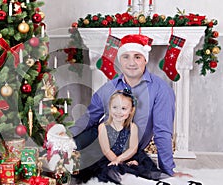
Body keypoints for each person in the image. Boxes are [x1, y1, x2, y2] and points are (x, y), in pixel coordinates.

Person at [70, 34, 190, 177]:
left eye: (137, 57)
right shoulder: (110, 86)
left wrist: (168, 170)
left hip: (127, 148)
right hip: (100, 139)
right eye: (126, 57)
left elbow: (162, 132)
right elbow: (90, 117)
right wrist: (68, 135)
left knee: (116, 173)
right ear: (120, 60)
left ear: (145, 59)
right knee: (66, 151)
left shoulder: (161, 90)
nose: (131, 63)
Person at [74, 89, 172, 185]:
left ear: (131, 111)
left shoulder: (133, 127)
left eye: (123, 108)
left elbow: (133, 148)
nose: (118, 112)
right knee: (112, 171)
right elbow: (106, 150)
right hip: (108, 157)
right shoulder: (103, 127)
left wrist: (122, 160)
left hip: (127, 156)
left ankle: (174, 183)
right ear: (110, 108)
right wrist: (117, 162)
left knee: (142, 168)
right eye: (115, 107)